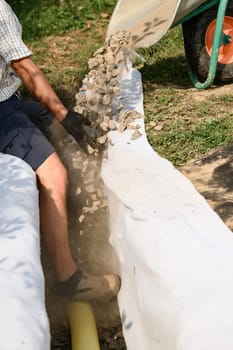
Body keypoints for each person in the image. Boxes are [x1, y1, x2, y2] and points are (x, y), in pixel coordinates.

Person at [0, 0, 120, 301]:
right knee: (54, 175)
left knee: (48, 123)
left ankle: (70, 219)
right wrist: (67, 117)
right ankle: (68, 278)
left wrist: (57, 118)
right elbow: (25, 69)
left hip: (8, 99)